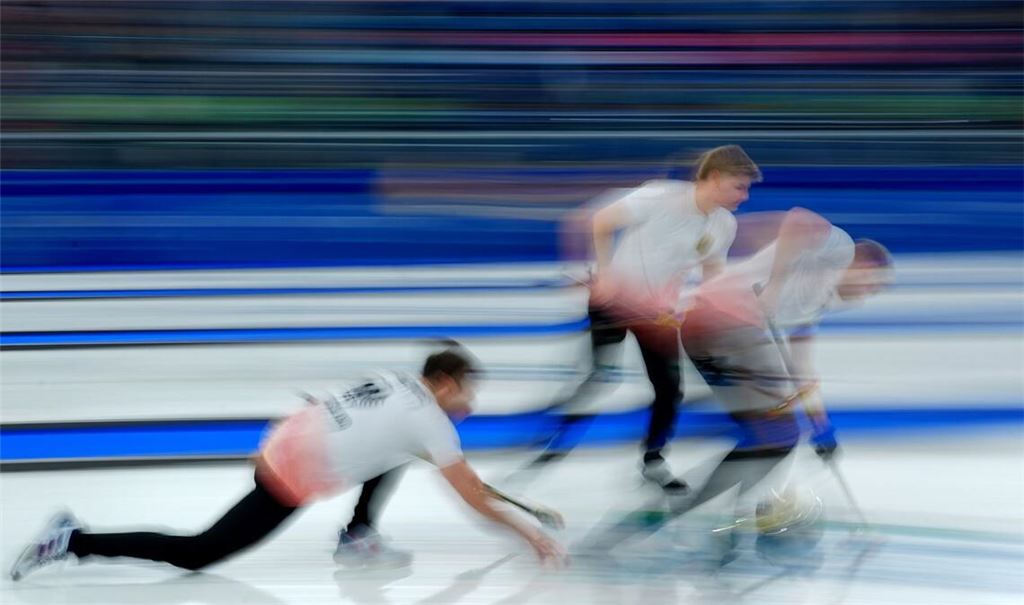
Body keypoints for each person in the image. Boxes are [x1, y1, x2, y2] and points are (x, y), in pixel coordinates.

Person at [10, 344, 565, 581]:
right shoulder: (431, 423)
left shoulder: (398, 383)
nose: (469, 403)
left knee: (395, 454)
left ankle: (358, 532)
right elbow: (468, 492)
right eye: (465, 391)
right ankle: (74, 539)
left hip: (285, 439)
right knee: (200, 553)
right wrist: (528, 533)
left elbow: (336, 410)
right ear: (443, 383)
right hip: (290, 473)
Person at [578, 208, 892, 563]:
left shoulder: (819, 302)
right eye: (872, 283)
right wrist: (774, 284)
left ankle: (685, 517)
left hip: (709, 332)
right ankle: (720, 519)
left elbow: (800, 369)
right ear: (862, 266)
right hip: (722, 323)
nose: (867, 295)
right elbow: (797, 221)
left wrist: (822, 429)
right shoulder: (840, 250)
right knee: (779, 434)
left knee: (770, 438)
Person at [519, 145, 763, 490]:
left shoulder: (724, 225)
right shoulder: (660, 196)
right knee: (599, 379)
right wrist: (604, 275)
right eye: (740, 186)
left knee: (669, 390)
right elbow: (600, 221)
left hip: (655, 316)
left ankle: (653, 461)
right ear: (715, 178)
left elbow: (712, 278)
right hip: (613, 302)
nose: (745, 195)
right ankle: (549, 439)